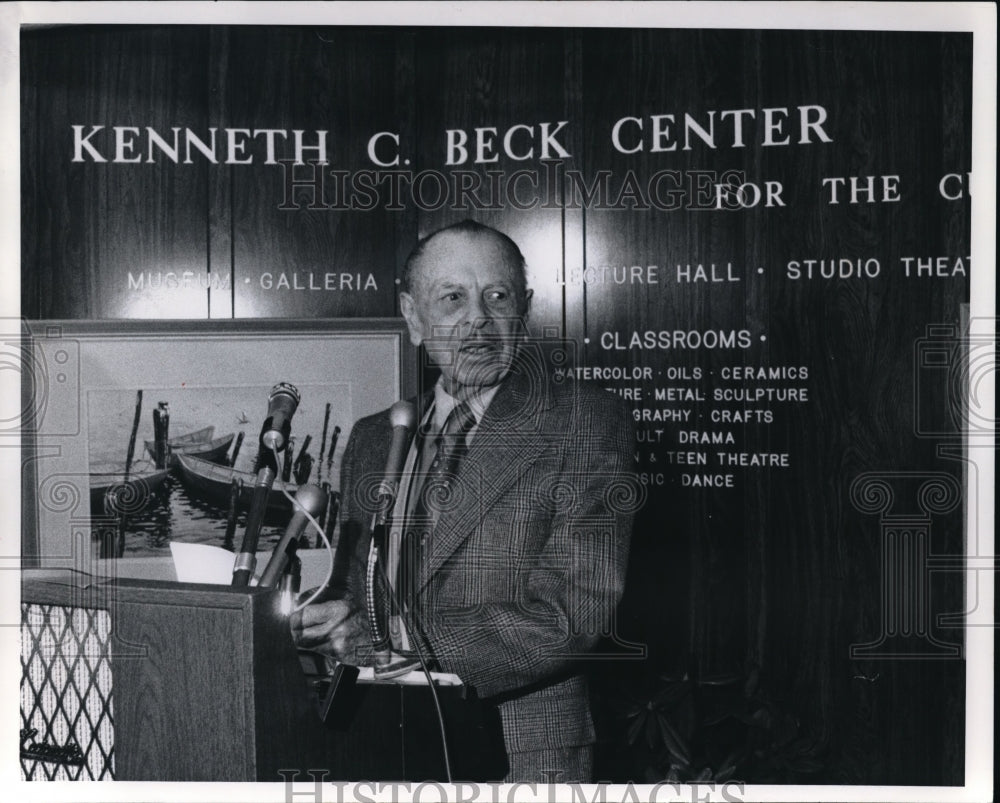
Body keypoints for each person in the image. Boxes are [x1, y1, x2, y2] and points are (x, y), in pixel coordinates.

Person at [292, 220, 636, 782]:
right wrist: (324, 616)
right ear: (412, 317)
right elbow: (357, 584)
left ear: (522, 310)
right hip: (378, 739)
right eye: (452, 297)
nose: (477, 318)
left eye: (495, 296)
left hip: (517, 750)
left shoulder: (585, 422)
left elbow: (575, 611)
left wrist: (398, 636)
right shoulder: (375, 436)